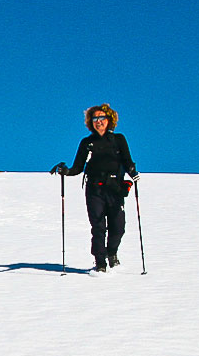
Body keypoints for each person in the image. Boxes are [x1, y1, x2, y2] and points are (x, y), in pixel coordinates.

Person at [51, 103, 140, 272]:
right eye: (95, 119)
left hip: (115, 188)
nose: (98, 121)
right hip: (94, 189)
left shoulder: (118, 139)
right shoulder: (87, 143)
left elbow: (127, 161)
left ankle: (111, 252)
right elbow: (77, 168)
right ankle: (100, 263)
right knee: (98, 226)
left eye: (101, 118)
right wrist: (66, 171)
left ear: (109, 120)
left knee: (118, 227)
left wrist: (132, 171)